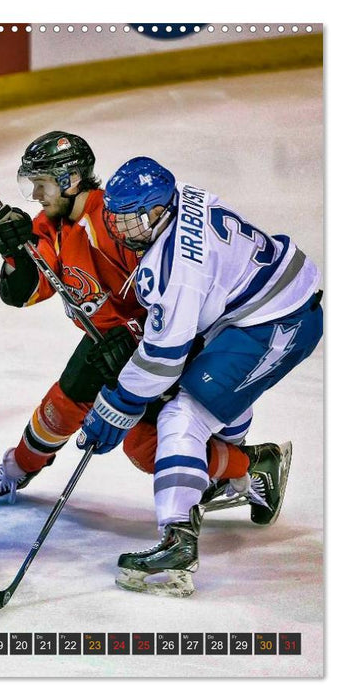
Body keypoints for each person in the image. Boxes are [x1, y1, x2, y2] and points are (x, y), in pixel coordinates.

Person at [0, 132, 266, 506]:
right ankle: (15, 470)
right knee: (61, 406)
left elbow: (175, 297)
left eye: (41, 185)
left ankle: (252, 465)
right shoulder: (49, 226)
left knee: (144, 448)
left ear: (69, 180)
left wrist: (136, 338)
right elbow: (22, 293)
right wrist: (14, 253)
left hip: (160, 348)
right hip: (104, 341)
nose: (37, 196)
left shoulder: (120, 220)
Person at [77, 157, 322, 597]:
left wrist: (114, 405)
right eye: (115, 216)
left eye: (131, 220)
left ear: (158, 212)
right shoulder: (182, 195)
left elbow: (162, 357)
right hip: (257, 308)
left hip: (277, 323)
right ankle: (252, 468)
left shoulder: (175, 269)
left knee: (181, 418)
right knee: (202, 389)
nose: (119, 229)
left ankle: (177, 543)